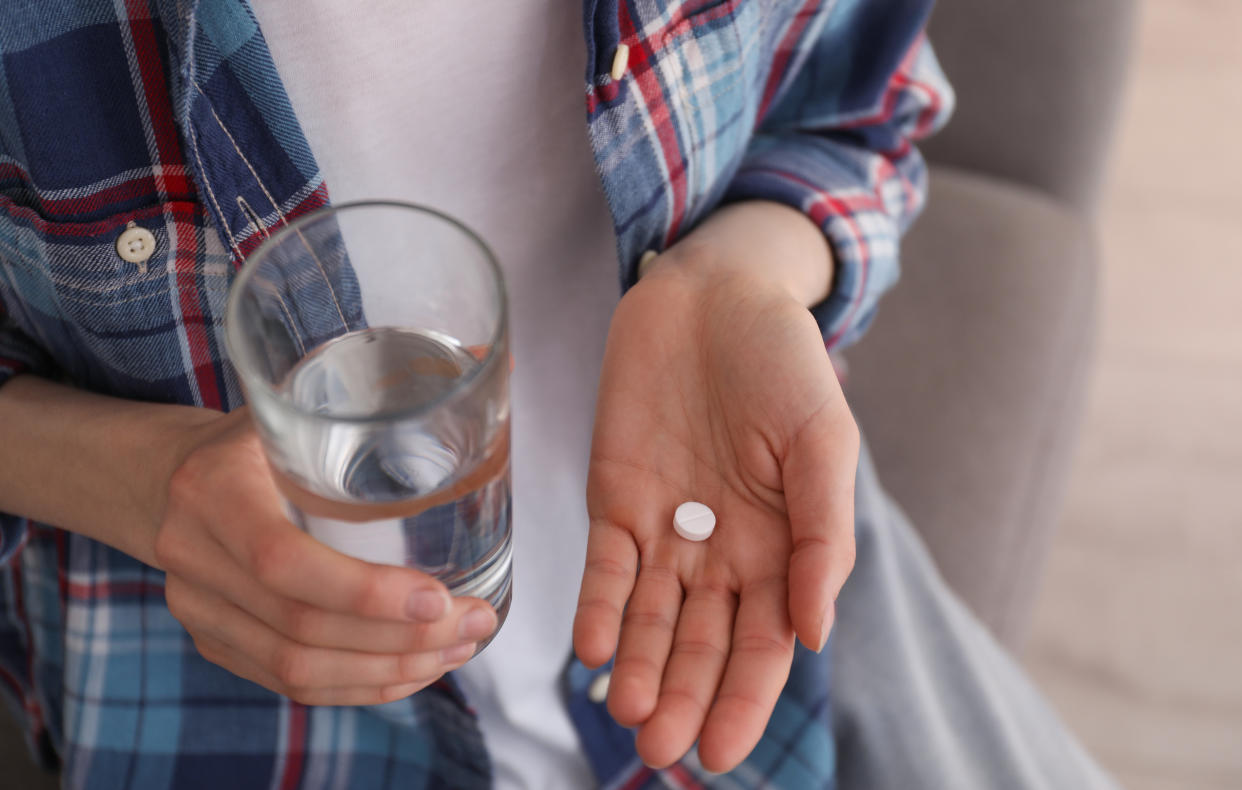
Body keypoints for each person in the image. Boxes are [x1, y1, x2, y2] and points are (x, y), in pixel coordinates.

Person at [0, 1, 1119, 788]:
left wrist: (742, 274)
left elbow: (863, 111)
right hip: (208, 690)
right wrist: (145, 485)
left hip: (730, 563)